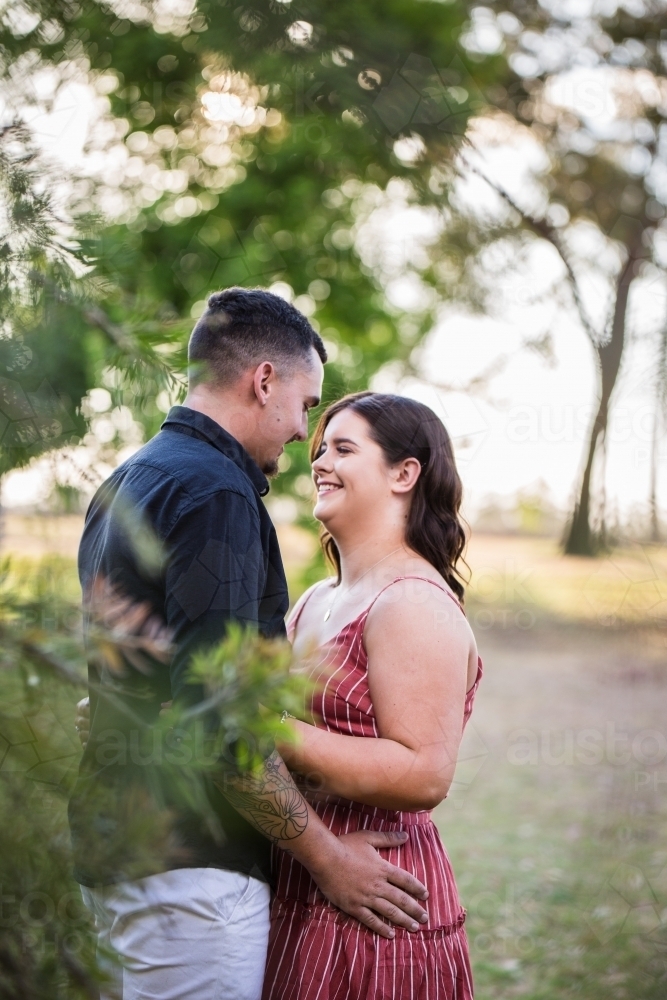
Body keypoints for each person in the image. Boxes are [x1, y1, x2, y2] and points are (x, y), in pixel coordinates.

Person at [69, 289, 428, 1000]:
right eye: (305, 406)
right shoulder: (218, 495)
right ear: (264, 380)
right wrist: (329, 861)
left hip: (113, 854)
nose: (302, 436)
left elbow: (148, 680)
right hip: (190, 880)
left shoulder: (128, 480)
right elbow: (226, 725)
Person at [262, 391, 482, 1000]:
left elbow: (423, 774)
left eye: (344, 449)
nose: (320, 463)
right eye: (320, 449)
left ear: (404, 474)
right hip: (307, 868)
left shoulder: (412, 601)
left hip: (378, 903)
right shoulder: (313, 599)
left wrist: (263, 725)